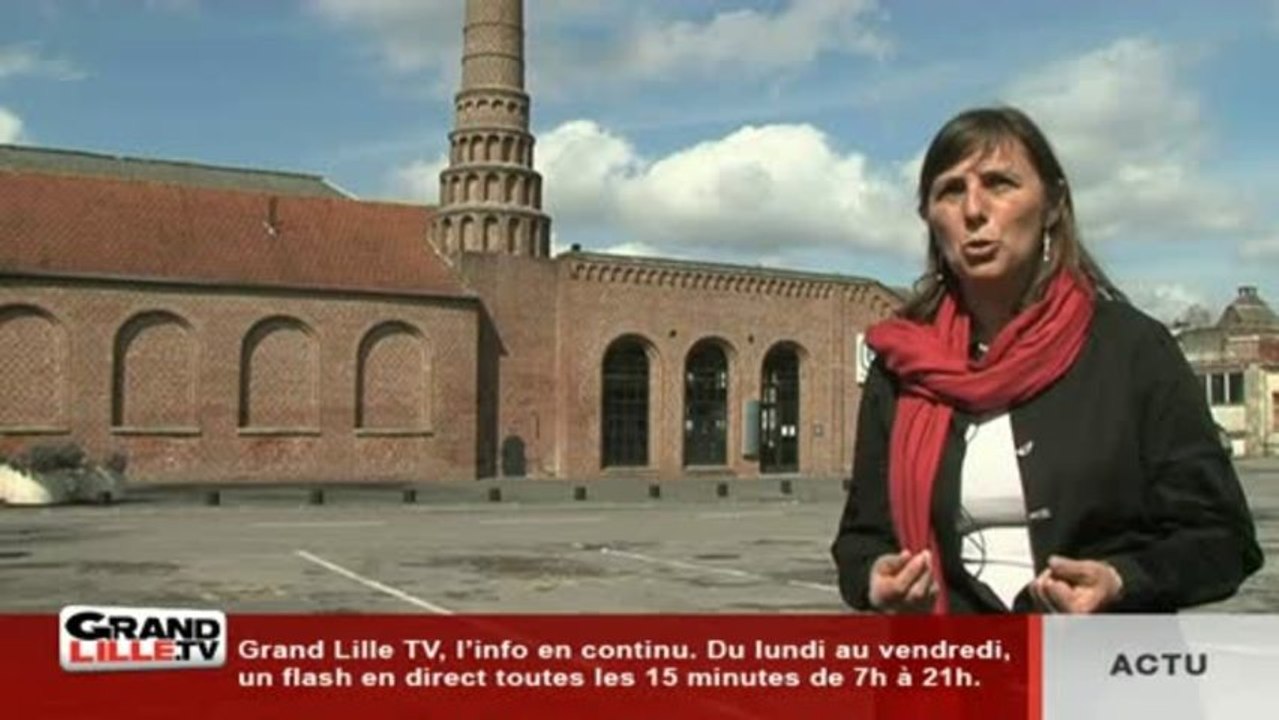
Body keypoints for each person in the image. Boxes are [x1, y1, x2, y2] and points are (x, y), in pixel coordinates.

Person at [831, 106, 1263, 613]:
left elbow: (1223, 538)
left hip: (1103, 674)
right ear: (929, 217)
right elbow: (862, 539)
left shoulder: (1132, 349)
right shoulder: (904, 364)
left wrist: (1123, 579)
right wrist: (873, 579)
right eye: (950, 190)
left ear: (1053, 204)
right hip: (954, 672)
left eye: (999, 184)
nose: (973, 209)